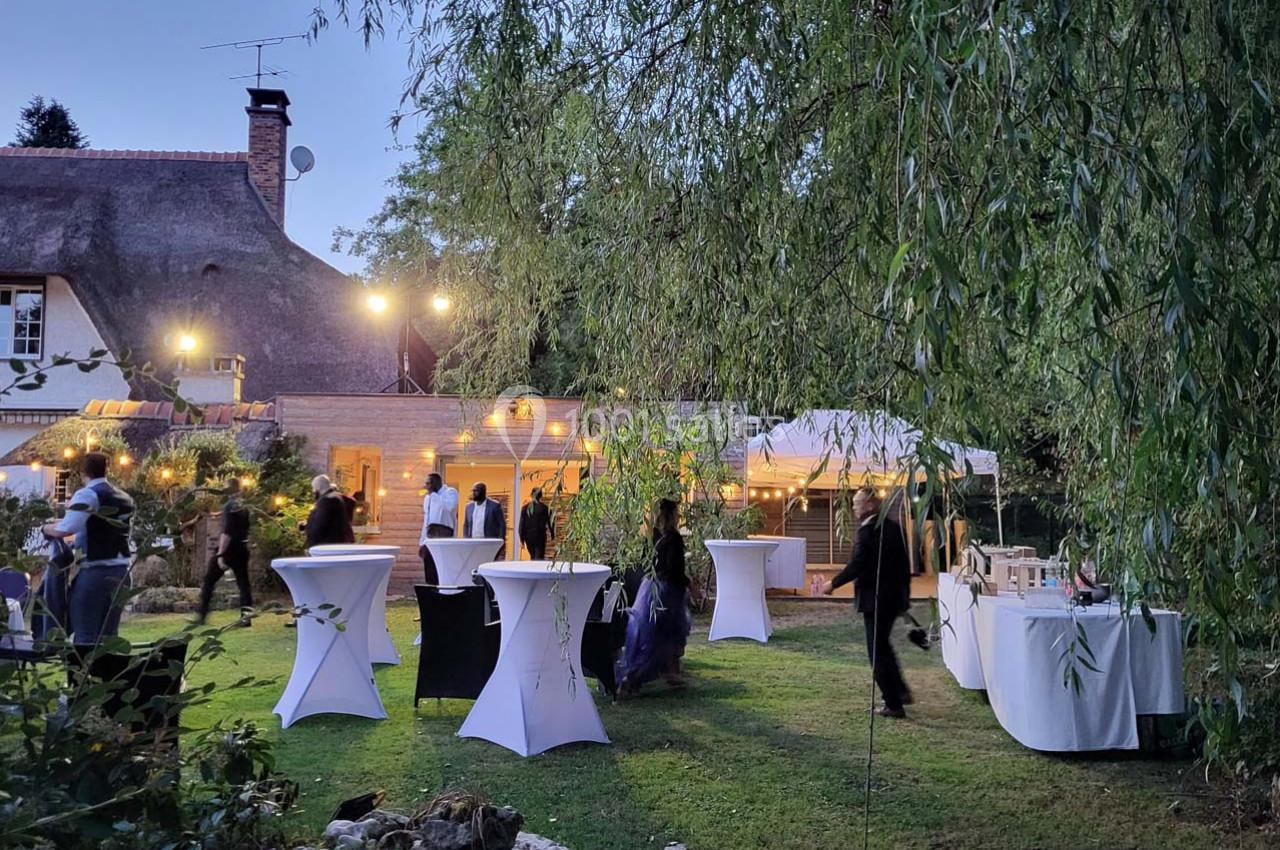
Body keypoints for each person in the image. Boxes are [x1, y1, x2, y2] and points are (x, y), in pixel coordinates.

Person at [821, 488, 914, 717]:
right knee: (883, 646)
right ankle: (900, 691)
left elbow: (857, 564)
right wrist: (904, 598)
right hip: (892, 599)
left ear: (871, 504)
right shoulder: (894, 529)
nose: (853, 508)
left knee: (877, 652)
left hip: (875, 599)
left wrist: (833, 584)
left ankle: (893, 704)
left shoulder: (869, 531)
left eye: (857, 503)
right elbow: (904, 567)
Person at [40, 452, 135, 647]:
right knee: (108, 639)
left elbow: (67, 528)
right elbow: (96, 528)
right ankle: (107, 675)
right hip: (123, 573)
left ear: (83, 472)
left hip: (95, 574)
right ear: (105, 470)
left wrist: (45, 528)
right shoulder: (125, 497)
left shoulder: (88, 494)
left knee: (85, 636)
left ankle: (81, 677)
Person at [616, 498, 692, 695]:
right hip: (667, 592)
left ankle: (667, 673)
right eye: (677, 513)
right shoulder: (673, 538)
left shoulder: (651, 537)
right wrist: (689, 584)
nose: (679, 516)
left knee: (650, 635)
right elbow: (674, 570)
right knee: (664, 636)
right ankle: (636, 678)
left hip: (649, 588)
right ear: (672, 515)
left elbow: (646, 564)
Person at [195, 477, 252, 626]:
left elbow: (226, 533)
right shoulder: (244, 506)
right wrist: (216, 515)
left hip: (228, 550)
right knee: (244, 585)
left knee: (209, 581)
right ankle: (246, 618)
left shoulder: (228, 506)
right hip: (242, 548)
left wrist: (220, 555)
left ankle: (201, 615)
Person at [418, 472, 458, 584]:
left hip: (444, 538)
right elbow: (426, 520)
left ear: (435, 483)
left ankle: (443, 593)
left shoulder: (450, 492)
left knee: (442, 569)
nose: (426, 486)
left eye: (428, 483)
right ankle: (430, 593)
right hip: (429, 538)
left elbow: (449, 507)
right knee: (429, 568)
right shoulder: (427, 498)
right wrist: (422, 542)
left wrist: (434, 495)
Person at [303, 475, 355, 548]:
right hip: (336, 543)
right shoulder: (336, 497)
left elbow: (320, 525)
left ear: (318, 487)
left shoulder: (327, 501)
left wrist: (309, 530)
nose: (313, 491)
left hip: (326, 545)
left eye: (313, 488)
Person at [463, 483, 506, 559]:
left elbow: (502, 525)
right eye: (473, 491)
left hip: (489, 543)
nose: (473, 493)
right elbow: (466, 525)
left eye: (476, 491)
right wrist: (466, 539)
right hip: (473, 543)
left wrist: (500, 542)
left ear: (483, 492)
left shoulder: (494, 506)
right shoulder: (469, 507)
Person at [518, 487, 554, 559]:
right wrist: (552, 534)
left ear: (531, 495)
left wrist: (521, 539)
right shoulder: (545, 508)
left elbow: (521, 524)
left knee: (533, 555)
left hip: (529, 537)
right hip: (540, 536)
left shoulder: (525, 508)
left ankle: (533, 567)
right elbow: (551, 522)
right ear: (541, 496)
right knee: (539, 556)